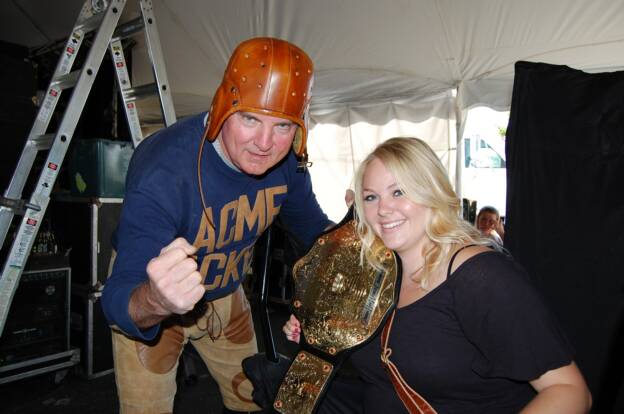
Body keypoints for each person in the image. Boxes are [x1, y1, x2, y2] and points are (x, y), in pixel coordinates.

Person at [101, 37, 332, 414]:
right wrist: (156, 300)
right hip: (153, 292)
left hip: (225, 294)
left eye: (283, 127)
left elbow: (312, 230)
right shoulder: (164, 169)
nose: (265, 143)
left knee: (254, 400)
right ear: (223, 105)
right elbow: (117, 298)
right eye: (250, 118)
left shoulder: (287, 162)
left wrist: (367, 244)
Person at [284, 137, 592, 413]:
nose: (383, 209)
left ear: (431, 192)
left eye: (398, 191)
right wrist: (316, 330)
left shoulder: (481, 277)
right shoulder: (373, 271)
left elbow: (570, 392)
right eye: (371, 197)